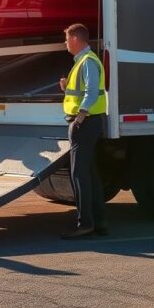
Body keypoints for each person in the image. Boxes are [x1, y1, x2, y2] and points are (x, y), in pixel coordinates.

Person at [59, 23, 109, 239]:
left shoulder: (87, 62)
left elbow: (91, 92)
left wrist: (80, 116)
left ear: (76, 40)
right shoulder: (83, 61)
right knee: (91, 174)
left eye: (67, 39)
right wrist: (65, 87)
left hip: (84, 124)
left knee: (79, 174)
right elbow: (81, 90)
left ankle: (85, 224)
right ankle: (99, 223)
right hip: (89, 123)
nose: (65, 43)